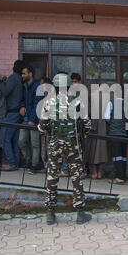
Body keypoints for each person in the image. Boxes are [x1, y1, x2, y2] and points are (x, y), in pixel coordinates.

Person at [38, 73, 92, 225]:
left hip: (55, 143)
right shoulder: (76, 102)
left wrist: (47, 131)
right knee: (76, 177)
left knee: (52, 176)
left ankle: (50, 213)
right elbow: (87, 125)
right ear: (69, 85)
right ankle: (80, 214)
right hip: (73, 144)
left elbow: (42, 127)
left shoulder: (48, 102)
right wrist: (82, 135)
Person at [0, 60, 26, 171]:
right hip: (19, 113)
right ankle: (16, 162)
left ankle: (12, 163)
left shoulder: (13, 78)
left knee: (5, 139)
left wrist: (0, 82)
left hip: (12, 113)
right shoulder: (21, 80)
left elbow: (5, 92)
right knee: (14, 140)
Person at [19, 65, 42, 174]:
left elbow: (37, 104)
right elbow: (23, 99)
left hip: (34, 119)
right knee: (21, 141)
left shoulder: (37, 87)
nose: (22, 75)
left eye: (24, 73)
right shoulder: (25, 86)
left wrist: (32, 119)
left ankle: (34, 165)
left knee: (35, 144)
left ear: (30, 74)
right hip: (26, 117)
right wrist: (22, 106)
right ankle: (28, 160)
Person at [105, 88, 128, 184]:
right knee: (123, 156)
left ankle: (119, 177)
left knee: (116, 156)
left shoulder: (111, 103)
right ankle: (122, 175)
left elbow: (106, 117)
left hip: (114, 133)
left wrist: (113, 123)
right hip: (124, 133)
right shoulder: (127, 104)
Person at [88, 85, 109, 180]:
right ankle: (100, 172)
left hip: (93, 125)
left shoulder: (92, 96)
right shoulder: (107, 98)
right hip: (104, 126)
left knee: (92, 148)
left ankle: (94, 172)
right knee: (102, 148)